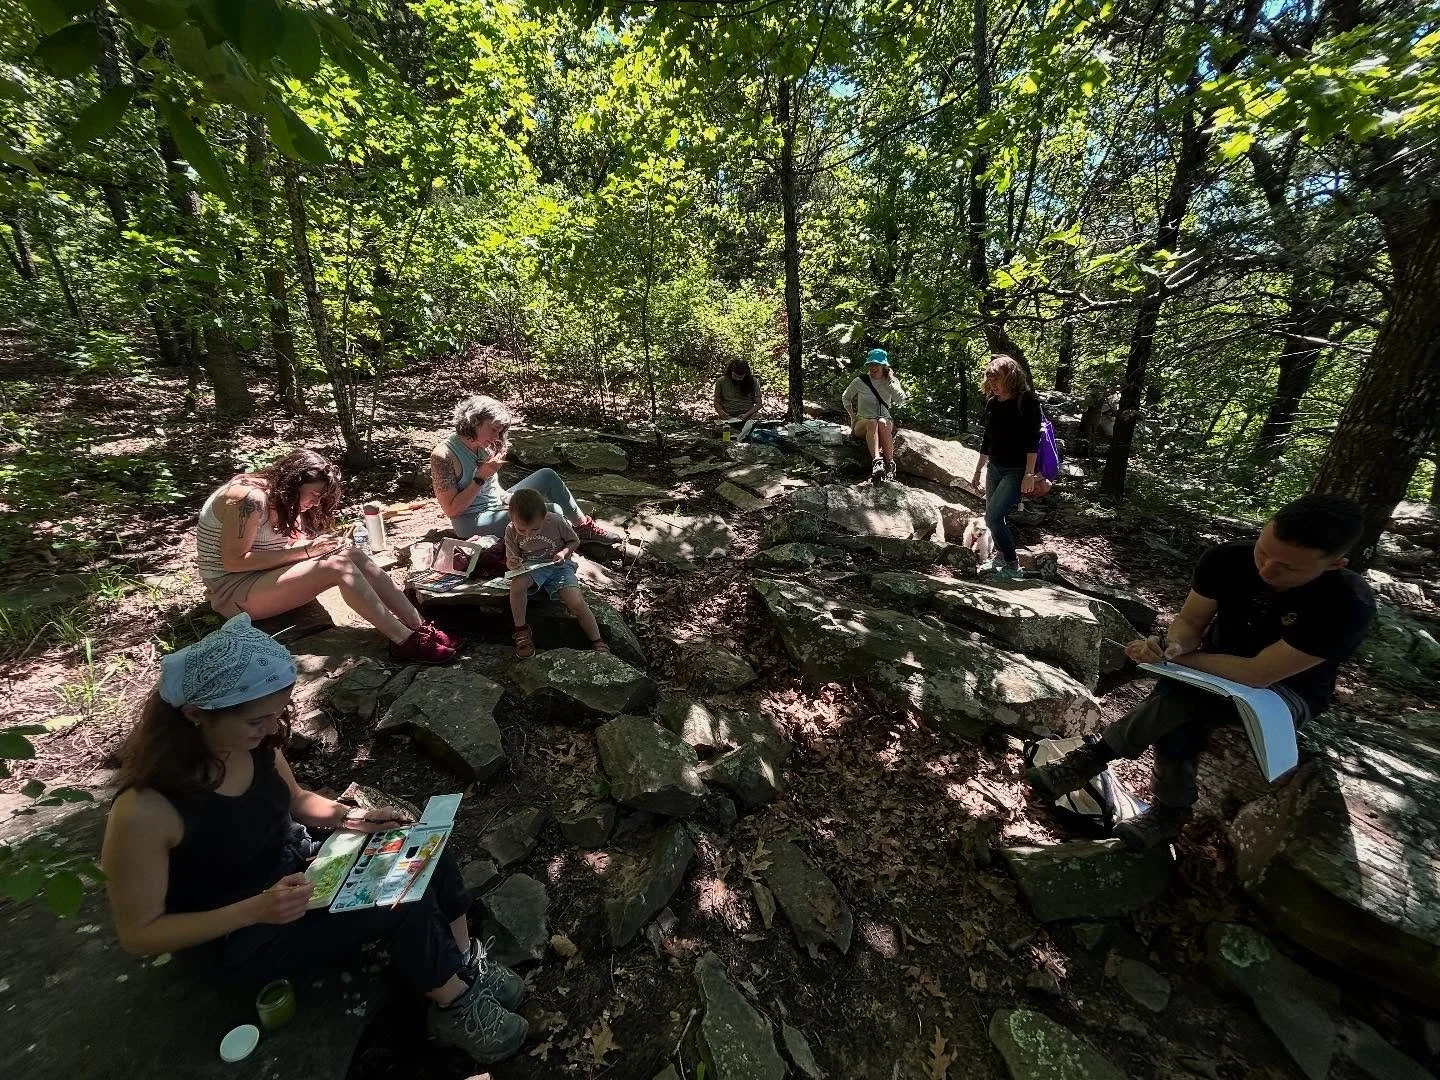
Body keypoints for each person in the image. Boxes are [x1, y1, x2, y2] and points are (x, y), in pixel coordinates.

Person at [99, 615, 528, 1065]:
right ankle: (453, 1005)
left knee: (421, 842)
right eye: (256, 721)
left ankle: (463, 960)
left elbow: (298, 802)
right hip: (246, 933)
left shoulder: (255, 745)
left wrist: (354, 818)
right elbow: (139, 933)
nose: (270, 730)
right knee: (400, 899)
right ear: (195, 716)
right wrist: (256, 909)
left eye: (277, 715)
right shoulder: (145, 810)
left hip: (303, 873)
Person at [1027, 494, 1376, 850]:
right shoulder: (1227, 560)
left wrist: (1175, 660)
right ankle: (1167, 813)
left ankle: (1096, 760)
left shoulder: (1346, 603)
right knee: (1181, 706)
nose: (1268, 569)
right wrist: (1174, 646)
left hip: (1286, 692)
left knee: (1185, 700)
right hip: (1210, 670)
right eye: (1263, 551)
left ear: (1334, 565)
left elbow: (1259, 674)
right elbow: (1191, 620)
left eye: (1289, 568)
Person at [196, 448, 455, 665]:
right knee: (338, 566)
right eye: (314, 495)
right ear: (292, 484)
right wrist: (308, 551)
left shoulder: (284, 499)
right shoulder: (249, 499)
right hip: (231, 590)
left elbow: (286, 545)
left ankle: (418, 625)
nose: (317, 502)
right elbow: (235, 561)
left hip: (262, 578)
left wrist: (321, 544)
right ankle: (403, 642)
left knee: (348, 552)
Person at [429, 394, 619, 545]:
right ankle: (554, 546)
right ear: (474, 421)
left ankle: (582, 527)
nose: (497, 436)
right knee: (551, 511)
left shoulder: (486, 443)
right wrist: (480, 478)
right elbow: (452, 510)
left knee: (547, 476)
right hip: (472, 520)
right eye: (494, 429)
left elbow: (494, 490)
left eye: (500, 431)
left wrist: (506, 497)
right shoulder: (444, 455)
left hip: (498, 505)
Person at [505, 488, 610, 659]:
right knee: (517, 585)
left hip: (559, 566)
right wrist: (513, 562)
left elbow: (574, 541)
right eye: (522, 530)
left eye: (535, 529)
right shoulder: (510, 530)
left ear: (545, 516)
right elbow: (512, 558)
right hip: (532, 567)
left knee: (576, 601)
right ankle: (521, 629)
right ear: (512, 518)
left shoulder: (556, 521)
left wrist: (563, 553)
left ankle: (597, 639)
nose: (528, 533)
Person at [968, 355, 1042, 581]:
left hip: (1016, 470)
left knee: (992, 517)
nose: (992, 385)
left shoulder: (1027, 401)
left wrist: (1029, 474)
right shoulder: (992, 403)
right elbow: (987, 440)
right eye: (989, 380)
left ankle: (1012, 563)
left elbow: (1032, 442)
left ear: (1010, 378)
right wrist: (978, 469)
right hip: (995, 467)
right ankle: (1001, 557)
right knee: (995, 518)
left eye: (996, 380)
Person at [843, 348, 908, 482]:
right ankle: (877, 463)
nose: (873, 367)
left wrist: (891, 384)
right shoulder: (860, 381)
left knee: (882, 422)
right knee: (873, 422)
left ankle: (890, 464)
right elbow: (846, 398)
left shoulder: (891, 381)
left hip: (884, 421)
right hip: (863, 423)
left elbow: (901, 400)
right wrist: (853, 417)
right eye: (871, 364)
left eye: (877, 364)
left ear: (884, 365)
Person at [714, 359, 763, 439]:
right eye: (735, 376)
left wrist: (746, 415)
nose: (737, 379)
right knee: (719, 428)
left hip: (748, 416)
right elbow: (716, 402)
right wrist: (721, 413)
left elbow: (759, 404)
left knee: (759, 420)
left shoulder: (753, 381)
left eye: (740, 377)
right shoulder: (721, 381)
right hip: (729, 418)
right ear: (731, 371)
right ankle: (743, 434)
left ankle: (742, 434)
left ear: (745, 374)